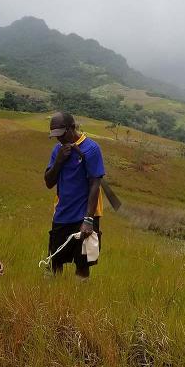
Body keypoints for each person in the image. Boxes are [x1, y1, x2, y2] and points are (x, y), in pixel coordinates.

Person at [44, 112, 105, 278]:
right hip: (62, 214)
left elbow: (95, 184)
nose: (59, 139)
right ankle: (50, 297)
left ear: (72, 128)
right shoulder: (58, 150)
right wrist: (59, 161)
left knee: (83, 264)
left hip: (84, 215)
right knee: (54, 262)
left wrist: (88, 220)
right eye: (55, 136)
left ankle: (78, 299)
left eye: (61, 135)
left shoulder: (91, 149)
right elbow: (49, 182)